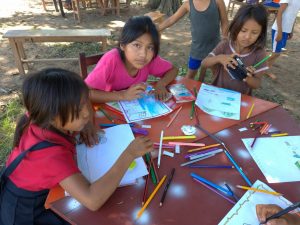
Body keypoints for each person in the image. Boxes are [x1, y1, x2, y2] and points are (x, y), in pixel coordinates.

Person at [0, 68, 153, 225]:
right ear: (53, 115)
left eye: (85, 103)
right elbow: (92, 200)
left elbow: (88, 102)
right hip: (26, 213)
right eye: (78, 109)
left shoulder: (39, 116)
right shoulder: (51, 155)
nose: (87, 112)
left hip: (30, 193)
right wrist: (128, 154)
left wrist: (86, 124)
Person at [85, 16, 178, 103]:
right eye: (137, 45)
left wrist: (161, 84)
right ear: (123, 45)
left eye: (150, 47)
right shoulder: (111, 60)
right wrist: (123, 95)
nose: (143, 54)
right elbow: (85, 93)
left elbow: (173, 70)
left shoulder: (150, 60)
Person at [200, 4, 269, 95]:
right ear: (236, 27)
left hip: (240, 99)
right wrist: (220, 58)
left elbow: (256, 84)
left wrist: (246, 76)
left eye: (254, 33)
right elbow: (204, 63)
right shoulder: (225, 45)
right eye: (243, 30)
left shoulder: (259, 53)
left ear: (261, 34)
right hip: (217, 95)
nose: (247, 37)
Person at [158, 0, 228, 80]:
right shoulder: (188, 4)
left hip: (215, 47)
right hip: (197, 49)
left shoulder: (217, 2)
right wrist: (157, 28)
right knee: (190, 76)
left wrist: (225, 38)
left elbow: (224, 21)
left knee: (217, 75)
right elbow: (172, 19)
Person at [267, 0, 300, 67]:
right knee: (275, 53)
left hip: (286, 30)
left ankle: (267, 69)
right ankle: (259, 67)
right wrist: (279, 32)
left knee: (277, 53)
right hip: (278, 29)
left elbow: (293, 16)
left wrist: (291, 30)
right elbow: (279, 13)